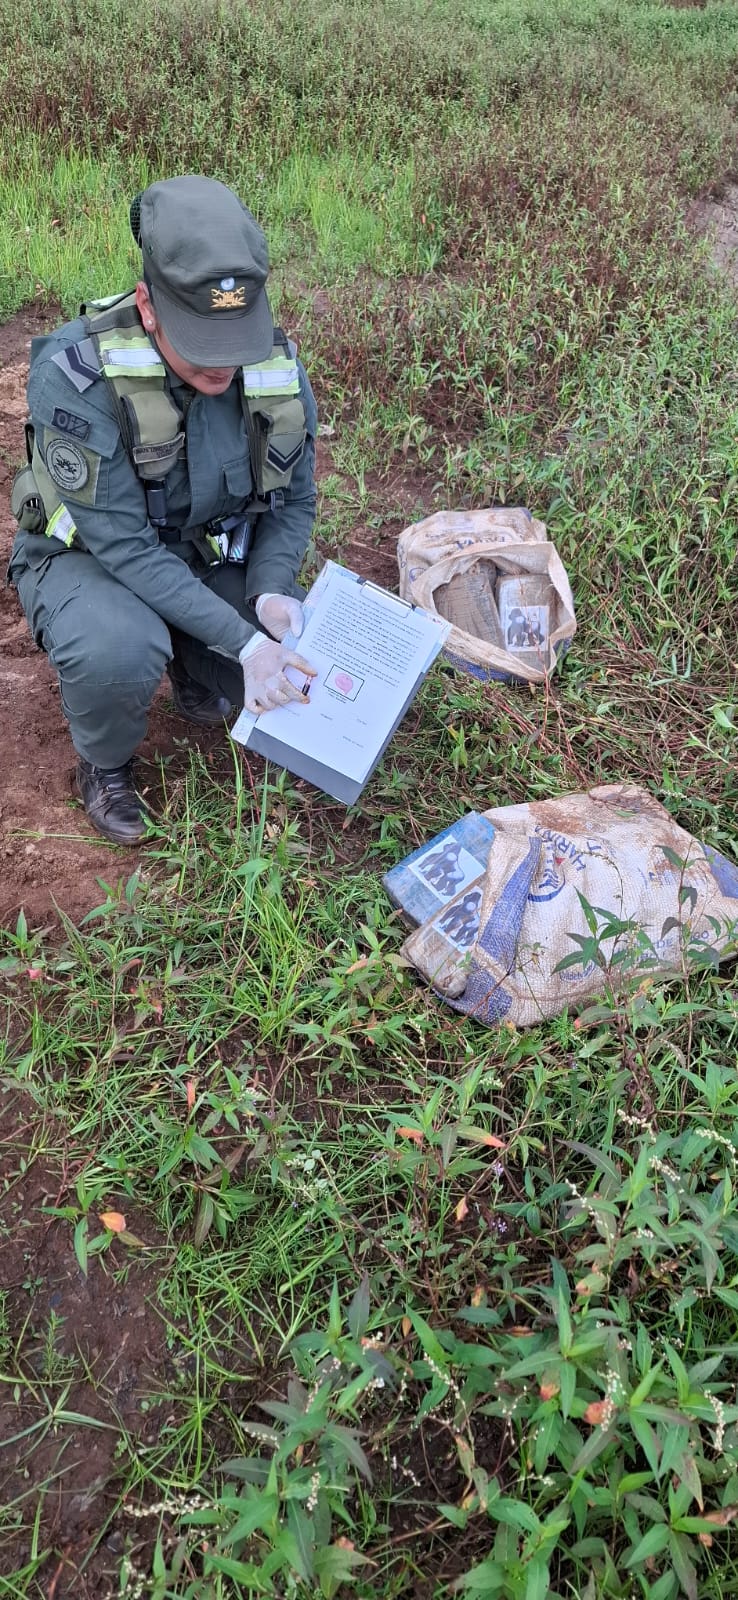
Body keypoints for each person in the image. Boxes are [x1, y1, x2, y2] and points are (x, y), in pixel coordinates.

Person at [9, 175, 318, 845]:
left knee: (291, 655)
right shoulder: (77, 377)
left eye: (236, 342)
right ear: (148, 306)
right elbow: (123, 548)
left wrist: (266, 595)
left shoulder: (274, 364)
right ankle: (106, 764)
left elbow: (294, 501)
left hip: (200, 555)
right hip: (90, 562)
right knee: (119, 649)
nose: (224, 370)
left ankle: (191, 660)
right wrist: (239, 638)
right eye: (204, 344)